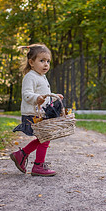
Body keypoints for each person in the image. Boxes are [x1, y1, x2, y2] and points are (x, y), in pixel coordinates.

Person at [10, 44, 63, 177]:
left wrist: (54, 97)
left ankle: (21, 154)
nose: (46, 64)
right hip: (32, 114)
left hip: (40, 113)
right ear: (31, 62)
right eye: (42, 61)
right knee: (45, 138)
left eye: (48, 61)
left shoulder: (41, 77)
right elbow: (27, 94)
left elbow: (44, 96)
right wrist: (36, 98)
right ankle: (38, 165)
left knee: (44, 137)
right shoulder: (30, 76)